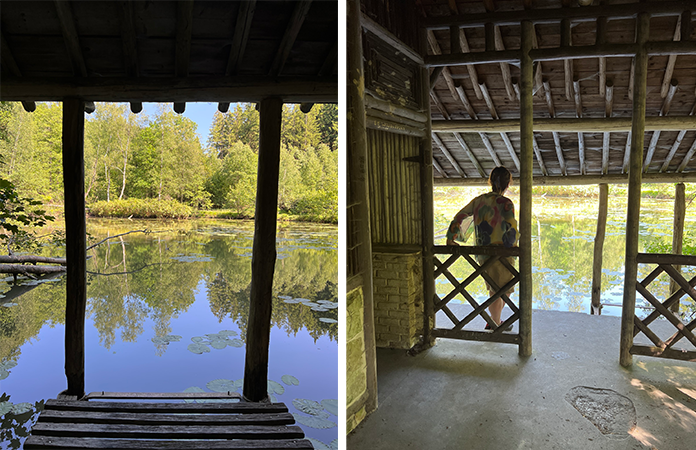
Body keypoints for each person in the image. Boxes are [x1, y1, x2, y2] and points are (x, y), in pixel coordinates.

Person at [445, 166, 518, 331]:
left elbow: (460, 216)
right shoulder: (506, 204)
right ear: (508, 184)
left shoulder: (479, 201)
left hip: (482, 253)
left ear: (491, 181)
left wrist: (451, 238)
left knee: (494, 289)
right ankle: (495, 323)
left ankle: (493, 320)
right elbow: (511, 228)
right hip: (503, 253)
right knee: (503, 289)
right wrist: (514, 248)